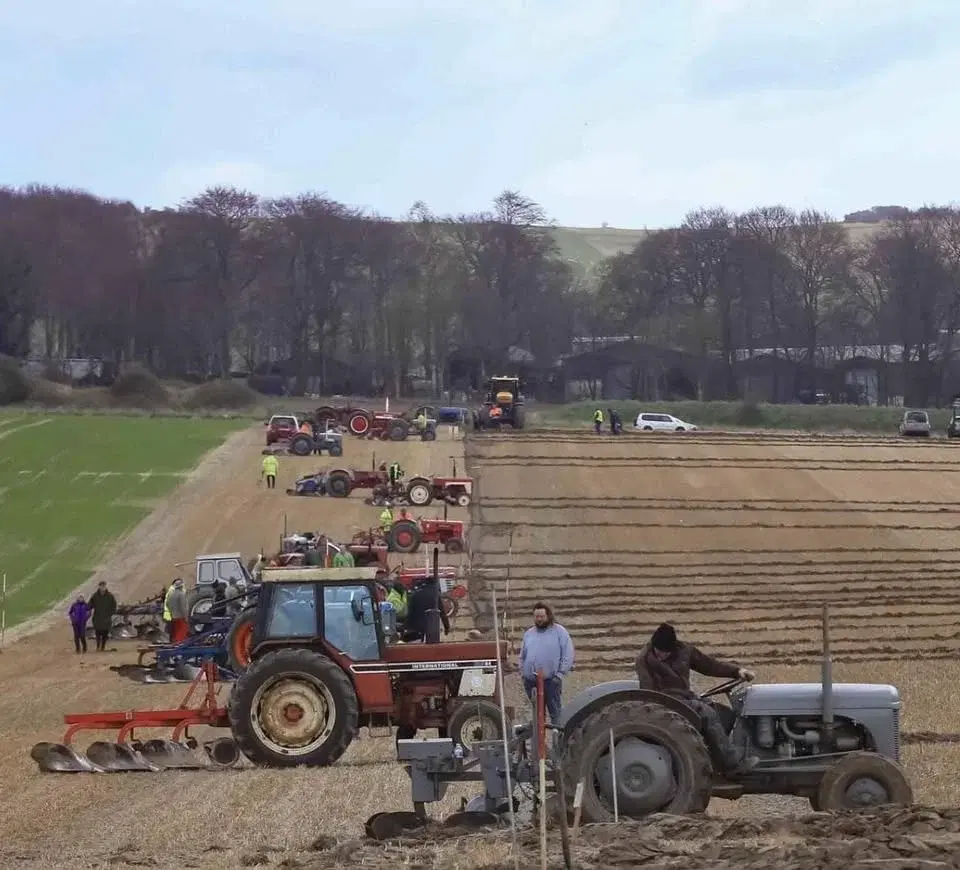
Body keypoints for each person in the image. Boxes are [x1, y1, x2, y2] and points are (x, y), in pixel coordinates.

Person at [635, 623, 758, 776]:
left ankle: (715, 758)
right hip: (665, 702)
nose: (660, 655)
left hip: (685, 697)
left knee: (723, 713)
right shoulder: (644, 660)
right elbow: (648, 692)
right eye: (658, 651)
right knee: (707, 713)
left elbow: (710, 666)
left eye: (665, 652)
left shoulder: (685, 651)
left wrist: (737, 671)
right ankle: (731, 765)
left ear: (673, 648)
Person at [519, 602, 574, 724]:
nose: (539, 619)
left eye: (541, 616)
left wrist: (559, 675)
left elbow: (568, 655)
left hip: (550, 682)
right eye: (536, 617)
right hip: (531, 682)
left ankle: (558, 740)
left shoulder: (560, 632)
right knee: (537, 716)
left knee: (556, 715)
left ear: (548, 616)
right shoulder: (529, 634)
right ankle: (540, 742)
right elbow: (522, 655)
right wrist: (523, 673)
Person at [404, 577, 450, 642]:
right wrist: (446, 627)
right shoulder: (435, 595)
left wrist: (406, 627)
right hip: (429, 627)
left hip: (414, 627)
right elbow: (442, 613)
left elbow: (409, 612)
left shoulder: (415, 594)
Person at [88, 581, 117, 652]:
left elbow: (114, 606)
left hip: (106, 618)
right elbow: (90, 605)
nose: (102, 587)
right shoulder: (95, 596)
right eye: (101, 586)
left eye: (103, 586)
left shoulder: (110, 596)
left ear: (105, 586)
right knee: (97, 633)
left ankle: (103, 646)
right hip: (97, 618)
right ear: (99, 587)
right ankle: (98, 646)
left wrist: (110, 614)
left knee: (105, 634)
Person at [166, 578, 190, 644]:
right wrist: (186, 617)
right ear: (181, 586)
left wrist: (171, 612)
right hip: (180, 617)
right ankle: (180, 644)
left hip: (173, 616)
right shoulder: (181, 594)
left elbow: (167, 604)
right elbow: (183, 607)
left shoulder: (170, 594)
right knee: (182, 631)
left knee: (176, 631)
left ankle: (175, 643)